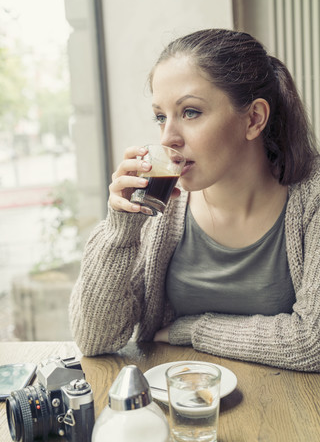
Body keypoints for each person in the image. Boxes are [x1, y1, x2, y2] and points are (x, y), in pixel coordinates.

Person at [69, 28, 320, 372]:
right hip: (177, 405)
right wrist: (119, 230)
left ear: (254, 118)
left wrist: (191, 330)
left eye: (189, 112)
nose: (168, 138)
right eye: (160, 116)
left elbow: (313, 342)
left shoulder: (313, 197)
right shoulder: (161, 202)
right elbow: (95, 339)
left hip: (290, 414)